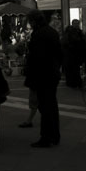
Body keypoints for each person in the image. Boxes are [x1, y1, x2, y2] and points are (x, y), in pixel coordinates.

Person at [25, 10, 61, 147]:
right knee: (52, 106)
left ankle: (46, 137)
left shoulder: (38, 34)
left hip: (42, 75)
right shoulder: (52, 32)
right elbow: (59, 53)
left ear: (34, 21)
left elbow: (36, 58)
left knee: (45, 107)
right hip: (52, 73)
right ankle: (55, 135)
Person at [62, 18, 85, 88]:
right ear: (73, 24)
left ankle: (73, 82)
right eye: (76, 24)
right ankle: (75, 82)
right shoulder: (72, 31)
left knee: (74, 69)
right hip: (72, 53)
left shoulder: (76, 31)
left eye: (78, 24)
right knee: (73, 69)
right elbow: (75, 41)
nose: (77, 25)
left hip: (73, 53)